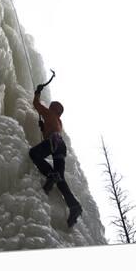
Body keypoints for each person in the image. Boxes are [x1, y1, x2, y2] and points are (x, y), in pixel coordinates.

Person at [29, 84, 83, 228]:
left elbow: (36, 104)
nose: (50, 107)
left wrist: (38, 92)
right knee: (61, 178)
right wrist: (43, 127)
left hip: (53, 141)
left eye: (52, 106)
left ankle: (50, 174)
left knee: (34, 153)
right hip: (61, 146)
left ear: (54, 109)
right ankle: (74, 206)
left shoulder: (49, 114)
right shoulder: (58, 121)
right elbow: (50, 128)